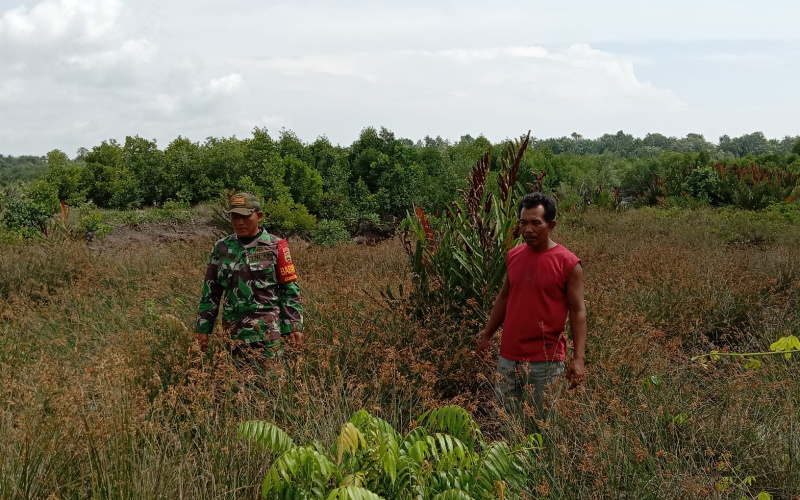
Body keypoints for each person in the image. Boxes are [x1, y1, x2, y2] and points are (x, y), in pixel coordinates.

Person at [476, 192, 586, 416]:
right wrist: (487, 336)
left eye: (536, 223)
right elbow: (505, 298)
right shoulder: (514, 255)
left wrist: (579, 358)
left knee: (543, 426)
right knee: (506, 422)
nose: (528, 229)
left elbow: (578, 311)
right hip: (508, 358)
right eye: (523, 223)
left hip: (546, 361)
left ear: (551, 224)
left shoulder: (568, 263)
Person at [195, 192, 303, 360]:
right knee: (233, 385)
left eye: (245, 217)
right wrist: (203, 328)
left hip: (268, 335)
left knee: (270, 384)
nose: (239, 222)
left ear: (259, 216)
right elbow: (211, 291)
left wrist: (294, 326)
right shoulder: (222, 247)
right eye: (234, 217)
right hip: (232, 335)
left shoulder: (276, 246)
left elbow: (289, 290)